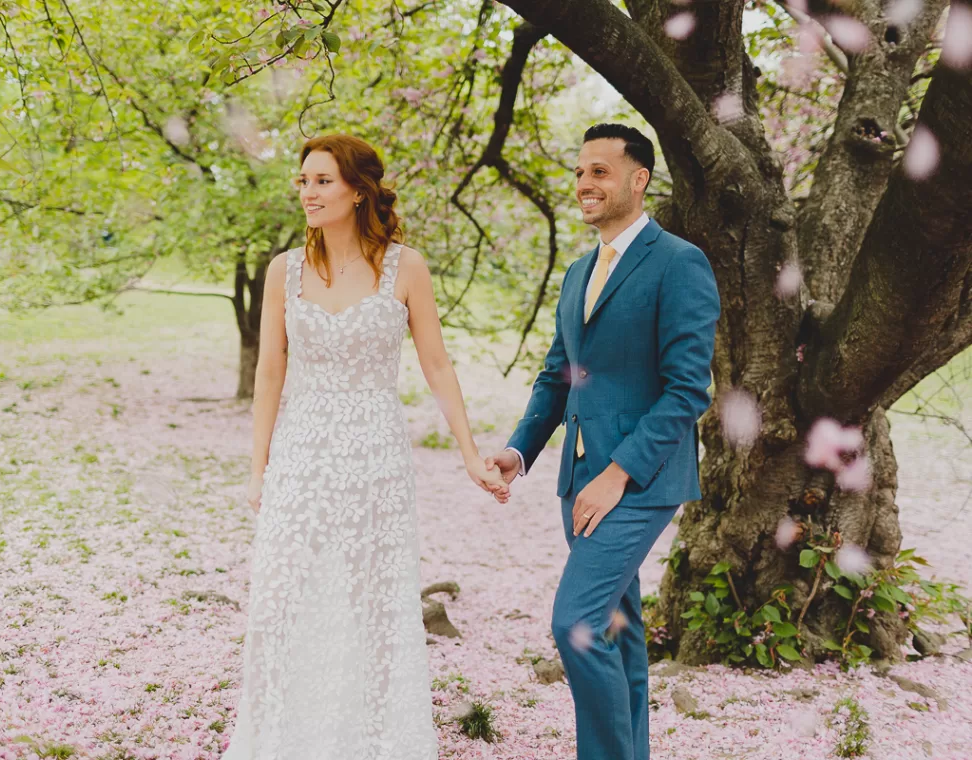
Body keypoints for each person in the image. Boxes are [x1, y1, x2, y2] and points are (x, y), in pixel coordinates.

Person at [225, 134, 508, 759]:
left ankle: (372, 740)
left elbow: (436, 363)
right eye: (303, 181)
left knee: (369, 599)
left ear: (358, 191)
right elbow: (271, 371)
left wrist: (468, 453)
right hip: (301, 453)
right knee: (288, 595)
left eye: (322, 181)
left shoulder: (405, 268)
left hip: (375, 457)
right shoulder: (283, 271)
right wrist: (259, 468)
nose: (308, 192)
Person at [487, 123, 720, 760]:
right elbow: (558, 377)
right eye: (581, 170)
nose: (585, 183)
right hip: (576, 482)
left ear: (638, 180)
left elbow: (687, 390)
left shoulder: (680, 263)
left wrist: (618, 474)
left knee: (578, 624)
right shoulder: (577, 272)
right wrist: (518, 452)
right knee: (619, 632)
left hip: (636, 482)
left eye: (600, 172)